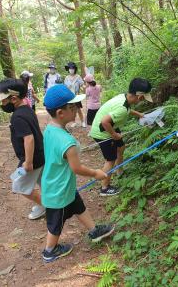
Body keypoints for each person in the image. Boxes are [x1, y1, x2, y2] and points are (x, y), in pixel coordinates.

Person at [41, 84, 115, 262]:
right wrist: (96, 173)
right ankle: (49, 251)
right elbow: (77, 168)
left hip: (61, 185)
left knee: (78, 206)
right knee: (55, 225)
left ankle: (94, 231)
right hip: (58, 191)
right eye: (73, 107)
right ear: (60, 113)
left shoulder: (50, 129)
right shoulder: (66, 141)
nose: (77, 110)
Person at [0, 79, 46, 220]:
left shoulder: (17, 117)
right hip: (40, 154)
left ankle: (46, 205)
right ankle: (48, 203)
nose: (2, 104)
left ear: (13, 98)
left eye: (3, 101)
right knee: (42, 182)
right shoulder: (27, 109)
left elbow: (29, 138)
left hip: (32, 159)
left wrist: (28, 162)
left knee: (20, 186)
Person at [89, 78, 153, 196]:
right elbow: (105, 122)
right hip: (103, 132)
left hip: (110, 126)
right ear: (140, 97)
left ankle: (120, 171)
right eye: (144, 98)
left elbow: (127, 110)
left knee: (121, 147)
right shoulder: (122, 108)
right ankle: (104, 188)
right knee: (110, 160)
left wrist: (139, 114)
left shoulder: (124, 98)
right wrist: (114, 135)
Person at [64, 62, 86, 128]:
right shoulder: (66, 78)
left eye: (72, 68)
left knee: (78, 109)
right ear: (68, 69)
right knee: (71, 110)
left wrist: (85, 87)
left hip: (76, 96)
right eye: (70, 68)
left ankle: (83, 122)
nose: (71, 70)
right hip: (69, 96)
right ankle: (73, 122)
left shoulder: (78, 77)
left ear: (75, 69)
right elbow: (65, 87)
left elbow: (82, 84)